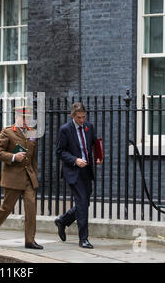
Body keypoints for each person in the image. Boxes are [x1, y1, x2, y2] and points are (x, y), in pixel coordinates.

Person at [0, 106, 43, 250]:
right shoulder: (8, 132)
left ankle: (30, 240)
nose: (26, 121)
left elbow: (33, 157)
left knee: (31, 208)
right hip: (12, 177)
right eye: (24, 118)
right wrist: (13, 157)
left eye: (29, 118)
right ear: (16, 118)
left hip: (28, 177)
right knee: (7, 208)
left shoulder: (32, 132)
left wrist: (34, 174)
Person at [54, 102, 102, 249]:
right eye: (79, 118)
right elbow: (60, 151)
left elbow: (95, 143)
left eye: (83, 117)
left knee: (84, 203)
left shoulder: (89, 126)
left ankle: (63, 220)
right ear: (72, 116)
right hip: (73, 171)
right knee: (82, 203)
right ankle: (83, 239)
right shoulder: (65, 130)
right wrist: (75, 160)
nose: (82, 120)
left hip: (87, 170)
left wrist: (99, 156)